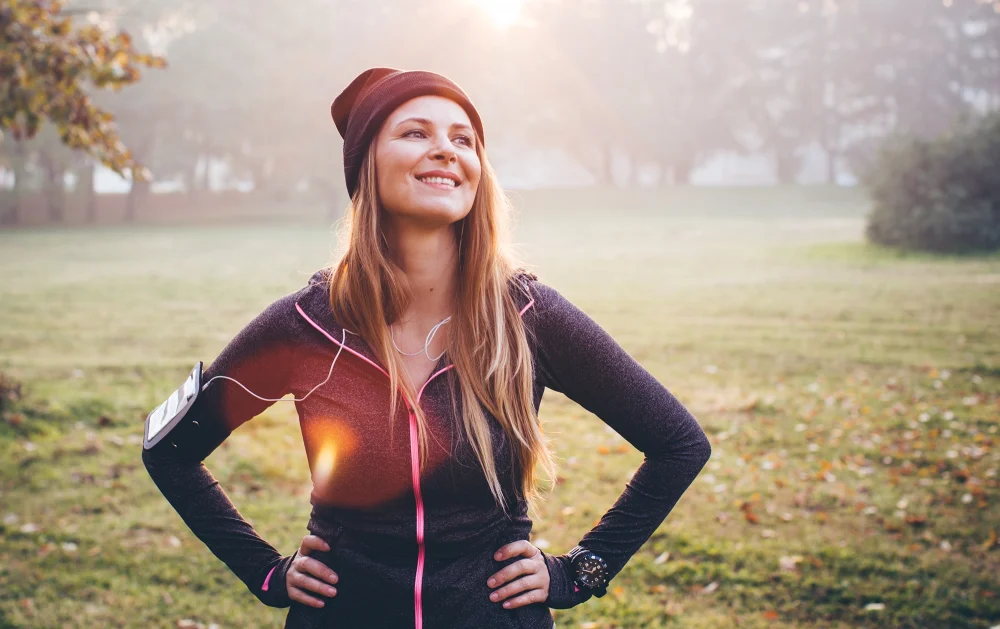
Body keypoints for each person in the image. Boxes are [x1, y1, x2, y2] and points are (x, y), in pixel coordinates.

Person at [141, 67, 712, 629]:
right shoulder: (306, 325)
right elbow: (170, 451)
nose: (445, 150)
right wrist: (265, 573)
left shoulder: (528, 317)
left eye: (462, 139)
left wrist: (582, 571)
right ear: (367, 164)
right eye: (416, 132)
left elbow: (679, 444)